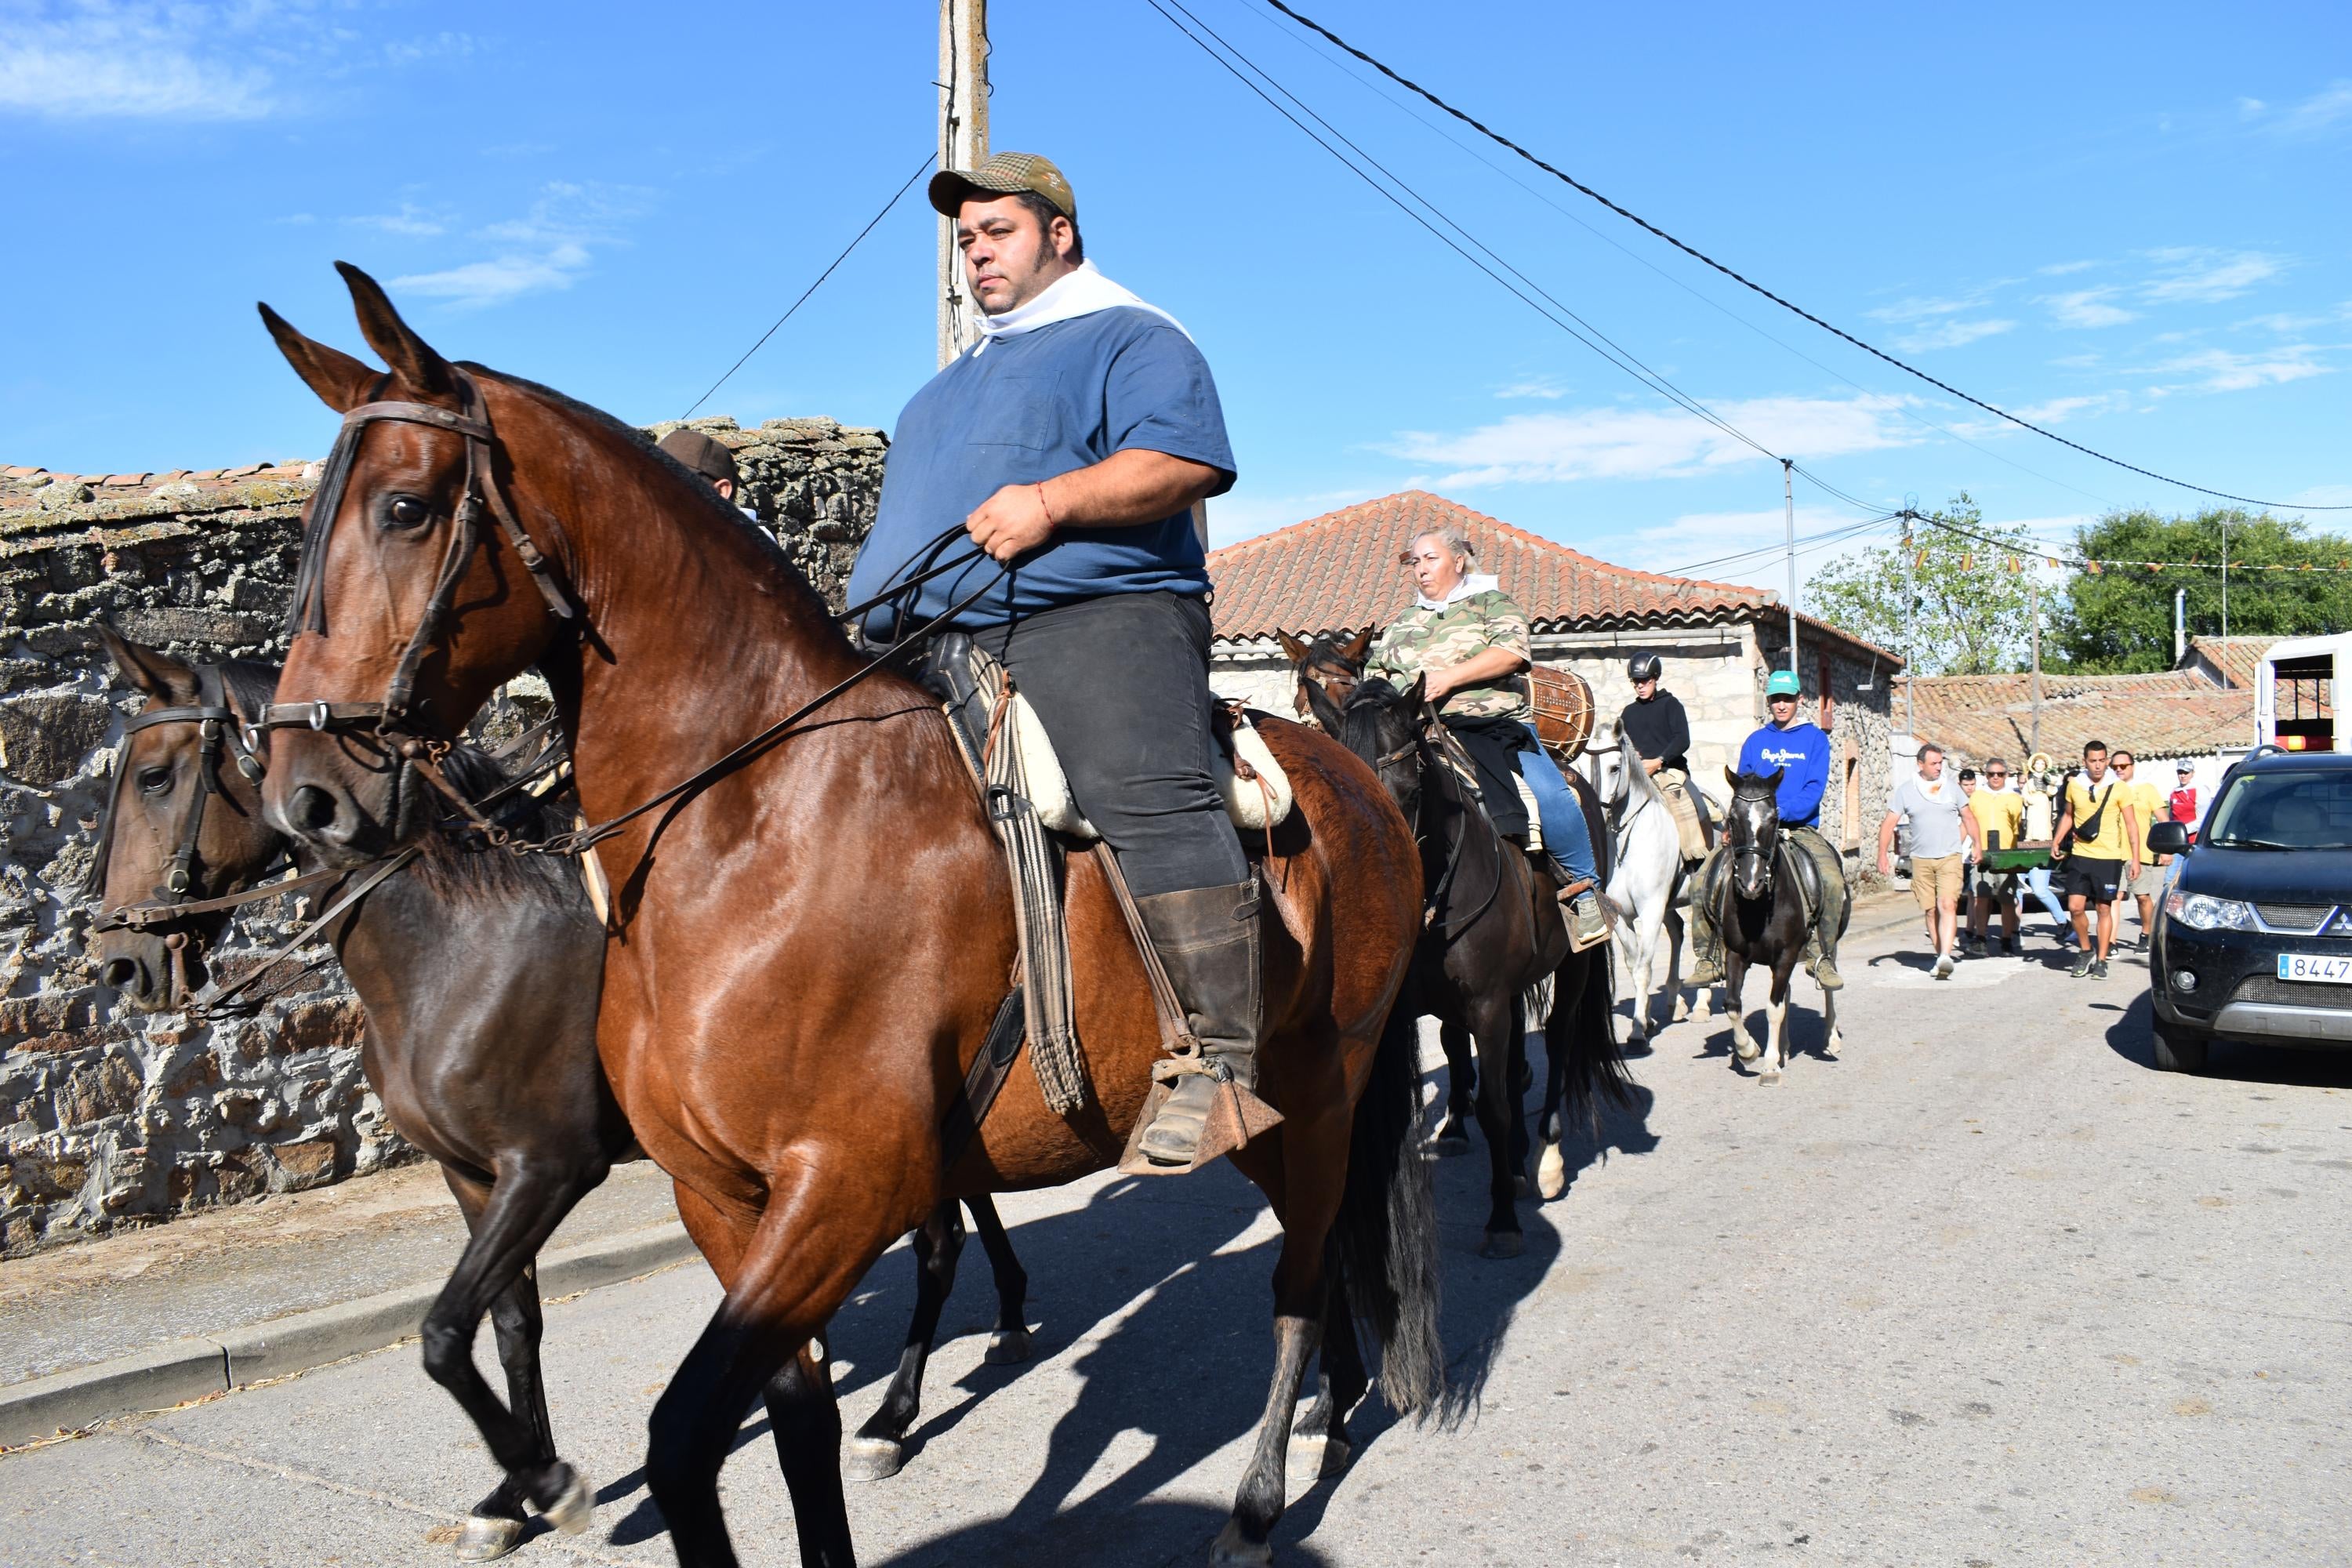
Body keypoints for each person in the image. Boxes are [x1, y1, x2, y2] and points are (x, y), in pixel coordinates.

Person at [840, 151, 1249, 1167]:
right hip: (926, 638)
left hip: (1096, 613)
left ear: (1059, 235)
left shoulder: (1134, 335)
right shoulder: (937, 395)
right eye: (968, 240)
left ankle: (1229, 1065)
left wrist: (1054, 501)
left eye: (1000, 233)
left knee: (1147, 787)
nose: (978, 253)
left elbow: (1186, 459)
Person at [1364, 528, 1610, 949]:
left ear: (1458, 561)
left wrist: (1448, 680)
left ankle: (1584, 894)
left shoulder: (1490, 604)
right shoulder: (1403, 622)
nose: (1421, 570)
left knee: (1553, 798)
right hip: (1420, 734)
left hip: (1497, 728)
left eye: (1431, 559)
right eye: (1415, 562)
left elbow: (1512, 653)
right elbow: (1376, 677)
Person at [1687, 668, 1846, 990]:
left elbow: (1815, 789)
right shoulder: (1756, 741)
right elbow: (1743, 789)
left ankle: (1821, 956)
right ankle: (1709, 957)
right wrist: (1741, 824)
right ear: (1769, 702)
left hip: (1799, 829)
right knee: (1701, 882)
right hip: (1753, 834)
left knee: (1832, 883)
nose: (1782, 705)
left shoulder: (1815, 739)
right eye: (1776, 699)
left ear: (1799, 700)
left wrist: (1779, 813)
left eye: (1788, 698)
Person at [1879, 744, 1978, 979]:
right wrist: (1882, 854)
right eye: (1933, 763)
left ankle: (1945, 955)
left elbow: (1968, 817)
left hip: (1950, 856)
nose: (1938, 767)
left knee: (1948, 905)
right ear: (1920, 764)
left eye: (1940, 762)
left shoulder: (1953, 789)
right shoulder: (1906, 791)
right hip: (1921, 859)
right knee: (1931, 910)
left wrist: (1978, 844)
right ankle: (1940, 957)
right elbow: (1889, 822)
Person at [2049, 738, 2140, 981]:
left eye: (2102, 761)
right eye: (2093, 761)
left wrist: (2136, 858)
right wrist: (2057, 839)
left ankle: (2101, 959)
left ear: (2107, 761)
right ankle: (2085, 950)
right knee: (2075, 907)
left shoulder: (2119, 787)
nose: (2098, 766)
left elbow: (2131, 825)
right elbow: (2068, 815)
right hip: (2080, 855)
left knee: (2103, 908)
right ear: (2085, 761)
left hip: (2109, 857)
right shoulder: (2075, 785)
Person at [1619, 654, 1708, 862]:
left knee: (1697, 808)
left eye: (1645, 680)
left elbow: (1682, 739)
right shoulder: (1628, 713)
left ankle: (1696, 859)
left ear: (1655, 678)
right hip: (1638, 773)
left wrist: (1659, 761)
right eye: (1636, 681)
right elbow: (1623, 744)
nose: (1640, 686)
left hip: (1670, 771)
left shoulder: (1671, 705)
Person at [1965, 757, 2027, 956]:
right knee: (1981, 897)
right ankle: (1981, 938)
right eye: (1991, 774)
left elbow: (2018, 827)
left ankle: (2007, 939)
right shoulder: (1976, 797)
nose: (1995, 778)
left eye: (2000, 774)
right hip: (1982, 854)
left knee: (2007, 899)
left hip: (2006, 855)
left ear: (2006, 776)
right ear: (1986, 776)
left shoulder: (2015, 798)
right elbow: (1968, 822)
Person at [2112, 750, 2166, 952]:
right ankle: (2111, 941)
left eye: (2123, 766)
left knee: (2142, 897)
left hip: (2141, 852)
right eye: (2115, 767)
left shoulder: (2147, 789)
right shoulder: (2109, 790)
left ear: (2132, 766)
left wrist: (2166, 850)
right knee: (2113, 897)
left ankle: (2147, 933)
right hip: (2114, 853)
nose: (2119, 770)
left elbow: (2163, 820)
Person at [2170, 761, 2201, 846]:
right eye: (2180, 773)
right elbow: (2171, 817)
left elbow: (2202, 819)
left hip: (2194, 842)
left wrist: (2182, 831)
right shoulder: (2173, 792)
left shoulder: (2199, 790)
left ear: (2193, 773)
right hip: (2176, 841)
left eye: (2186, 773)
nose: (2183, 776)